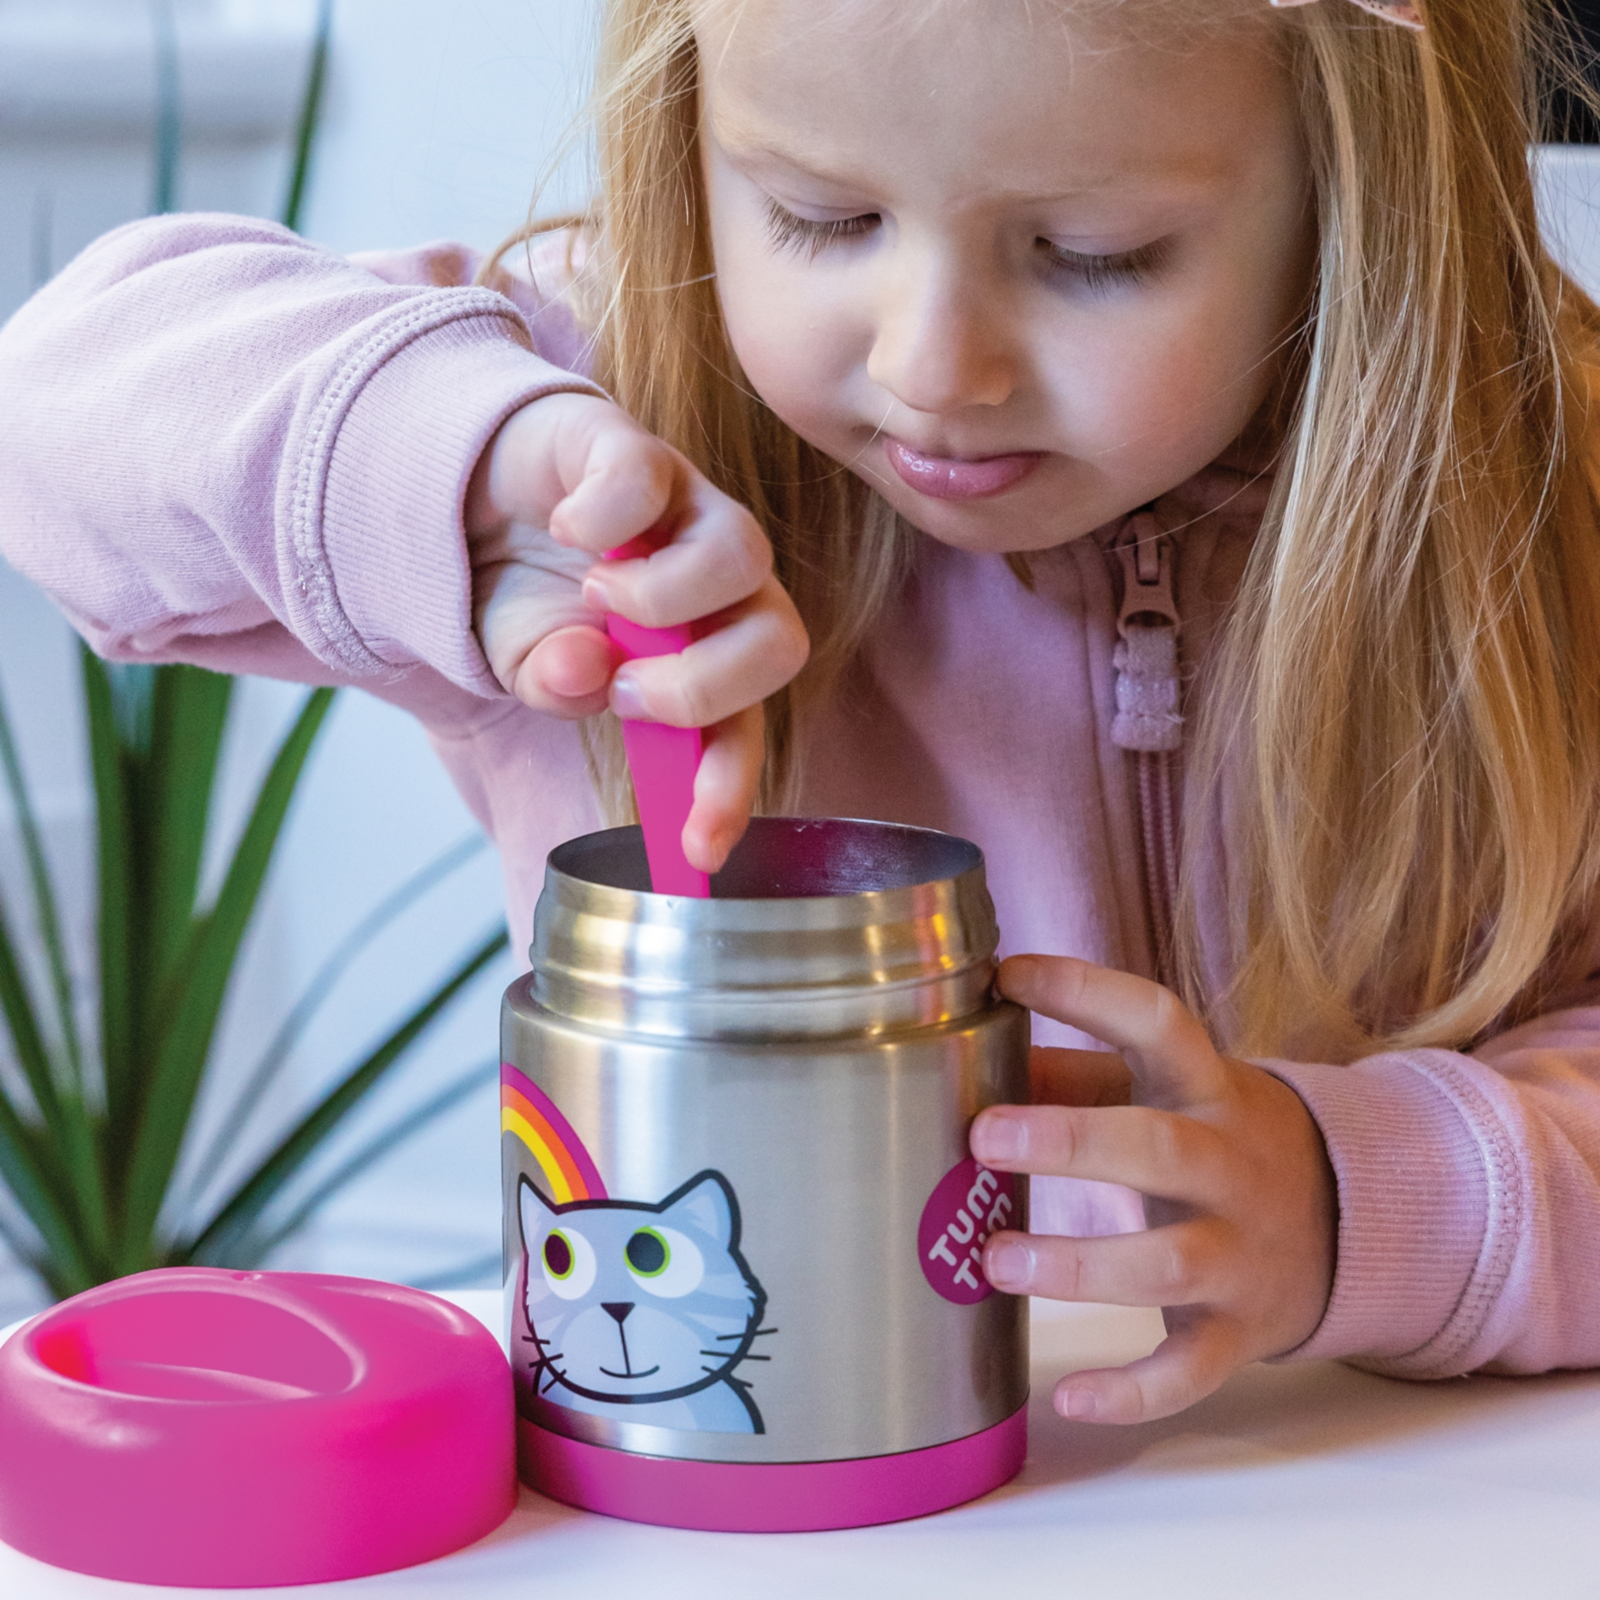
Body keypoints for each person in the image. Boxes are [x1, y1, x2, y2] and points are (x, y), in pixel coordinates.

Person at [2, 0, 1598, 1427]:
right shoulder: (605, 435)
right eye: (824, 218)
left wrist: (1367, 1202)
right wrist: (468, 474)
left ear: (1357, 198)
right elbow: (54, 419)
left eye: (1097, 250)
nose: (935, 365)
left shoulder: (1543, 514)